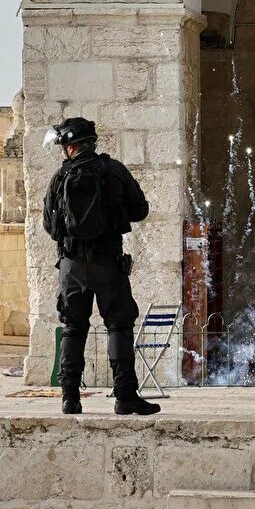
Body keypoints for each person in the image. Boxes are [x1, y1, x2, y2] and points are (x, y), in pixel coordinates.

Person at [41, 117, 158, 416]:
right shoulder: (114, 170)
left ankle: (69, 398)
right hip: (107, 263)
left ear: (70, 148)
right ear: (92, 143)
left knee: (73, 327)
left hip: (71, 266)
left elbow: (49, 226)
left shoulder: (60, 177)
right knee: (118, 325)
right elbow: (140, 210)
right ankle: (125, 396)